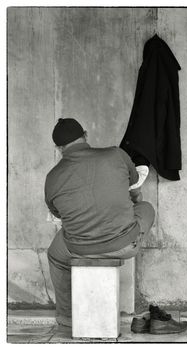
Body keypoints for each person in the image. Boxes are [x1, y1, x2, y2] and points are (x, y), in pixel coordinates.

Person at [45, 118, 155, 327]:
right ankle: (131, 234)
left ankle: (66, 317)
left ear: (59, 148)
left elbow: (58, 214)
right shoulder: (116, 154)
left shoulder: (52, 177)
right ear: (85, 135)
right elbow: (133, 182)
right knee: (146, 208)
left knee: (55, 255)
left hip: (78, 248)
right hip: (123, 245)